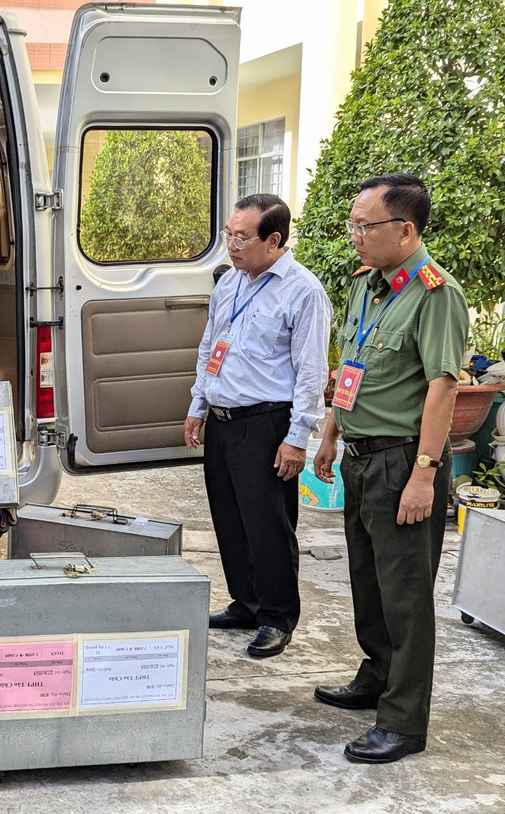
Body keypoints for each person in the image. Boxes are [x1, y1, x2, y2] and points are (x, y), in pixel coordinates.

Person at [311, 173, 469, 764]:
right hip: (359, 456)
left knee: (406, 597)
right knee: (368, 583)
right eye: (353, 224)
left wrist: (425, 475)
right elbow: (351, 367)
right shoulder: (368, 287)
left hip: (404, 461)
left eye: (365, 225)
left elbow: (442, 390)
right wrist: (329, 434)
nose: (355, 235)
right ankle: (376, 676)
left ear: (405, 230)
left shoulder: (435, 293)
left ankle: (404, 722)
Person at [184, 194, 331, 659]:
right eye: (229, 234)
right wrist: (198, 403)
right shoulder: (229, 282)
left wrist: (297, 438)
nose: (232, 244)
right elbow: (211, 344)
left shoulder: (303, 291)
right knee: (229, 518)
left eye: (242, 237)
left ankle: (277, 616)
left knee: (268, 524)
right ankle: (245, 601)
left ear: (274, 239)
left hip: (268, 421)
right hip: (224, 419)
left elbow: (310, 371)